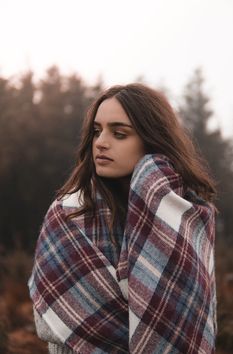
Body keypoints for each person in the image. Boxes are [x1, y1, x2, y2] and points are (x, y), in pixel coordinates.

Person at [28, 83, 217, 354]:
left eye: (119, 134)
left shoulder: (184, 215)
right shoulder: (70, 213)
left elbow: (196, 314)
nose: (101, 142)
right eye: (96, 131)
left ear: (151, 139)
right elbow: (47, 321)